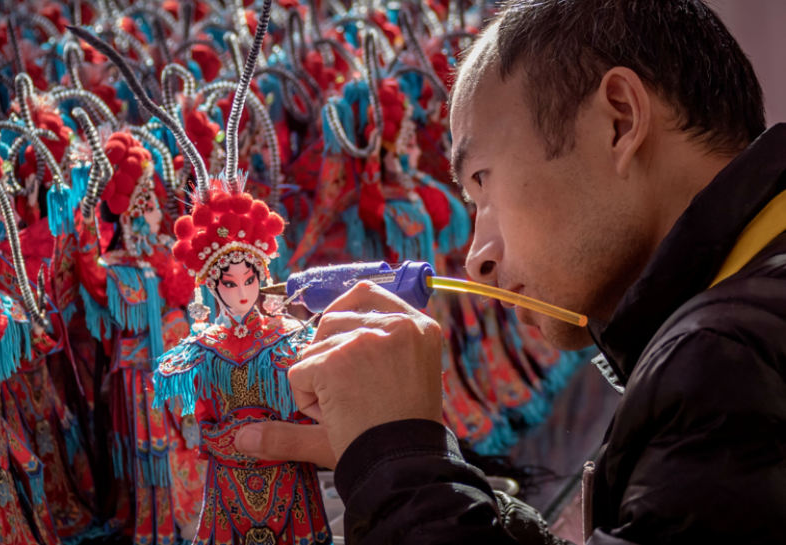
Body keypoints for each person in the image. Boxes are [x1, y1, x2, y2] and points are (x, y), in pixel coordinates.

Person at [231, 0, 786, 543]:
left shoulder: (728, 358)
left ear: (620, 120)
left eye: (482, 180)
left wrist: (402, 470)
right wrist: (423, 473)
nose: (478, 259)